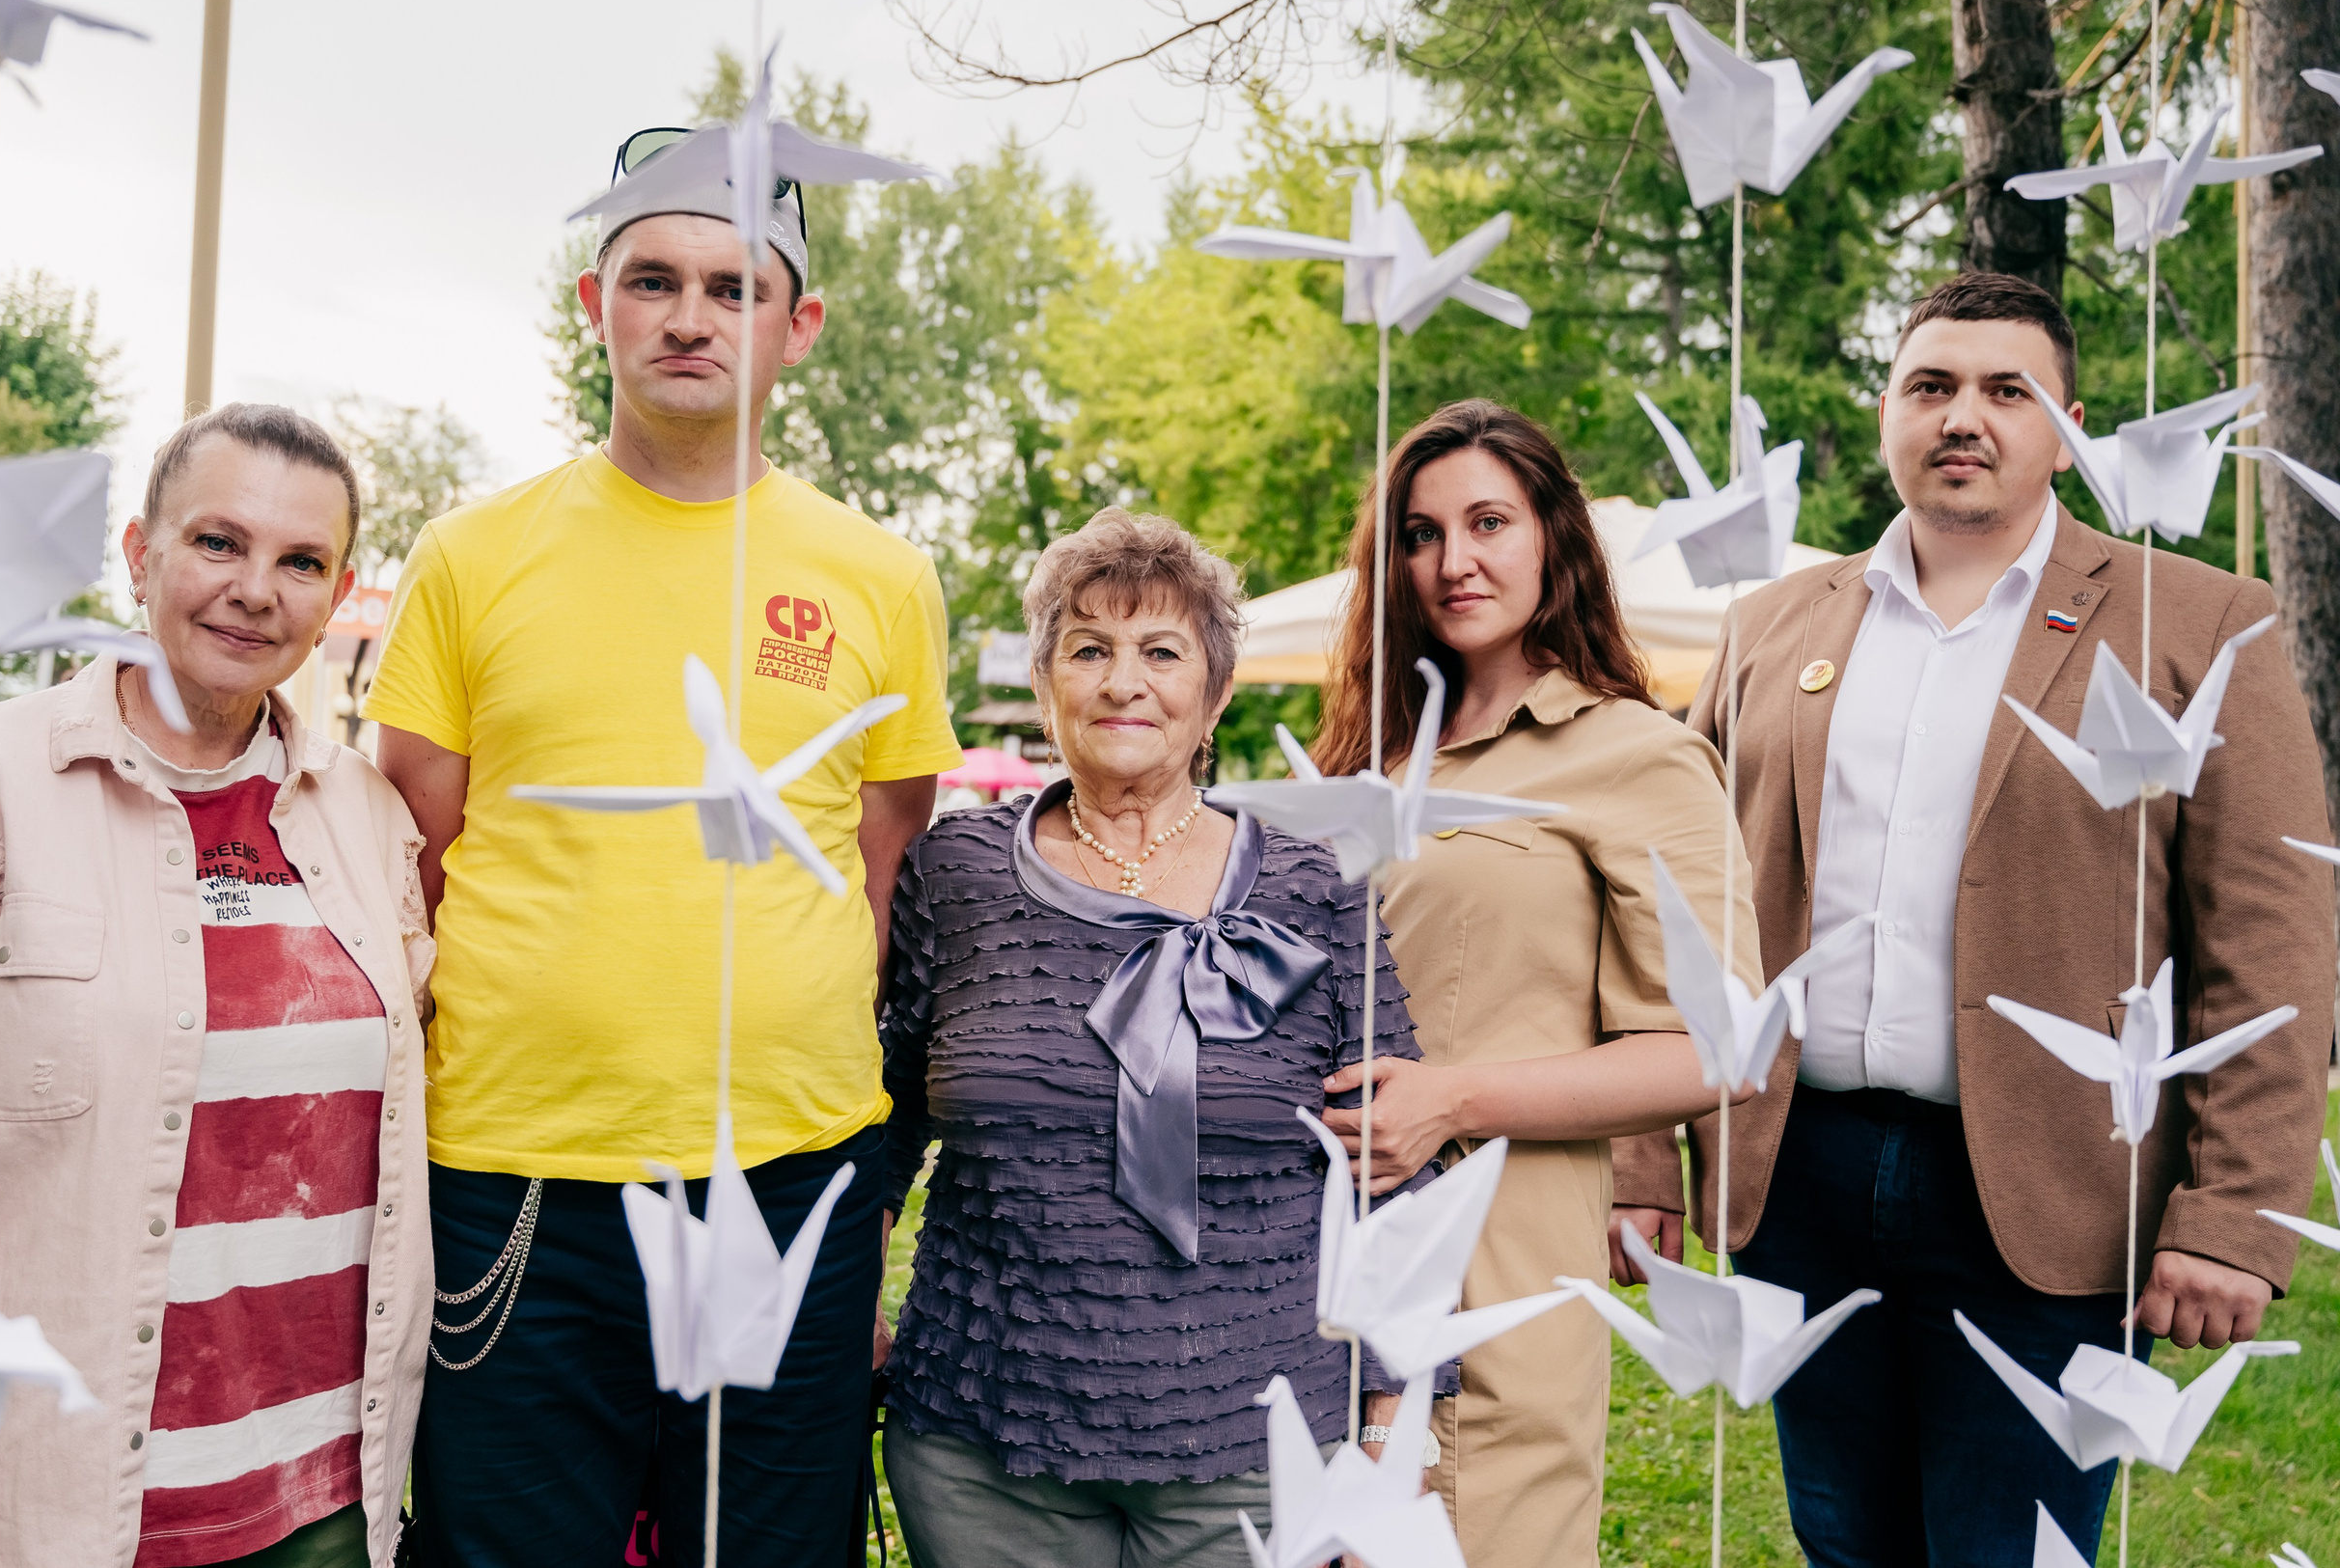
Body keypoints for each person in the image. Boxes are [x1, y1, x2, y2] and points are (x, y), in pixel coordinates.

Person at [1610, 272, 2338, 1566]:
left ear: (2067, 427)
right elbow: (1668, 903)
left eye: (2008, 390)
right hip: (1797, 1175)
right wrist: (1636, 1154)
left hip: (2055, 1192)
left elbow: (2271, 946)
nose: (1964, 416)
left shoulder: (2200, 622)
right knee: (1845, 1542)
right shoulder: (1771, 625)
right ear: (1887, 412)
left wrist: (2236, 1213)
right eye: (1931, 385)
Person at [364, 130, 962, 1567]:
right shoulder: (470, 555)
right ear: (596, 304)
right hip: (521, 1172)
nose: (692, 316)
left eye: (734, 286)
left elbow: (877, 868)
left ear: (797, 326)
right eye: (654, 280)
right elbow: (414, 857)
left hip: (791, 1171)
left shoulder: (883, 577)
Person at [0, 405, 435, 1568]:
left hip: (322, 1506)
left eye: (301, 561)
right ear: (139, 554)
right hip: (42, 1511)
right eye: (217, 542)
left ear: (338, 594)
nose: (254, 590)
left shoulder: (369, 819)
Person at [878, 509, 1439, 1568]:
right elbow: (887, 1115)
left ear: (1216, 692)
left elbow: (1397, 1171)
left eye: (1162, 652)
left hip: (1263, 1447)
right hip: (981, 1442)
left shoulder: (1314, 880)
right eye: (1088, 649)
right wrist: (852, 1296)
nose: (1123, 682)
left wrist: (1387, 1435)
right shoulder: (956, 872)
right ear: (1045, 681)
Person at [1299, 399, 1760, 1568]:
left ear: (1555, 535)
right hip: (1306, 1263)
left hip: (1489, 1273)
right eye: (1420, 533)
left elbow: (1719, 1049)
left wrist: (1453, 1099)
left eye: (1489, 522)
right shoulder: (1368, 758)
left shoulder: (1639, 755)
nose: (1452, 560)